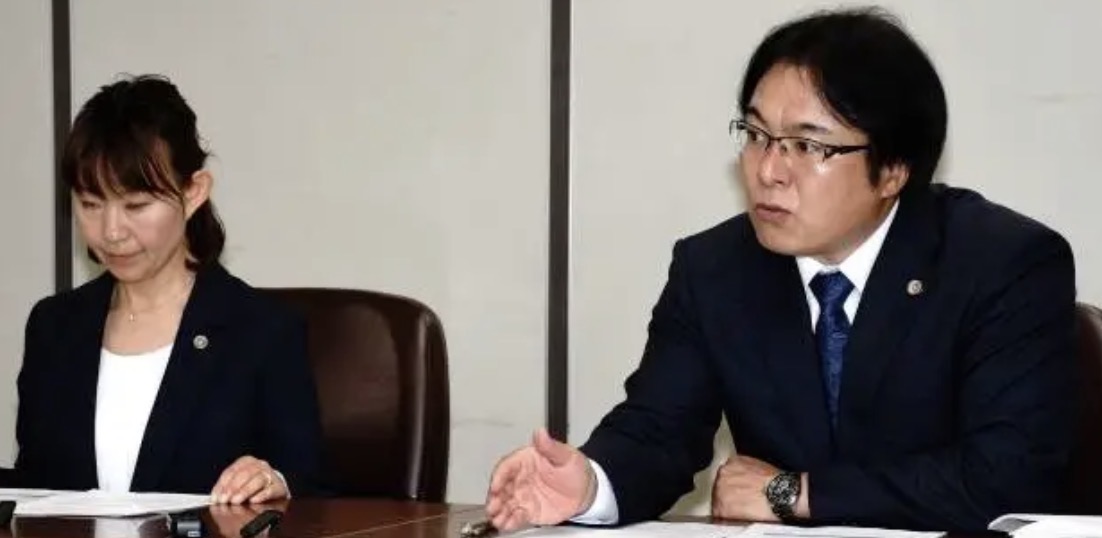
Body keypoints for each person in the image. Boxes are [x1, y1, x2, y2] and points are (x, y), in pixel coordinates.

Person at [485, 6, 1077, 533]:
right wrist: (589, 483)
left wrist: (795, 494)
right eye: (757, 135)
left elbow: (1007, 478)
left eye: (809, 145)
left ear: (894, 170)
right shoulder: (715, 270)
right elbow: (658, 431)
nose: (768, 170)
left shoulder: (1003, 264)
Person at [10, 74, 323, 503]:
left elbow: (314, 487)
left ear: (193, 192)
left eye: (136, 205)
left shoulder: (261, 331)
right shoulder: (54, 326)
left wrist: (274, 483)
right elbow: (33, 487)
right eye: (90, 204)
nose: (111, 231)